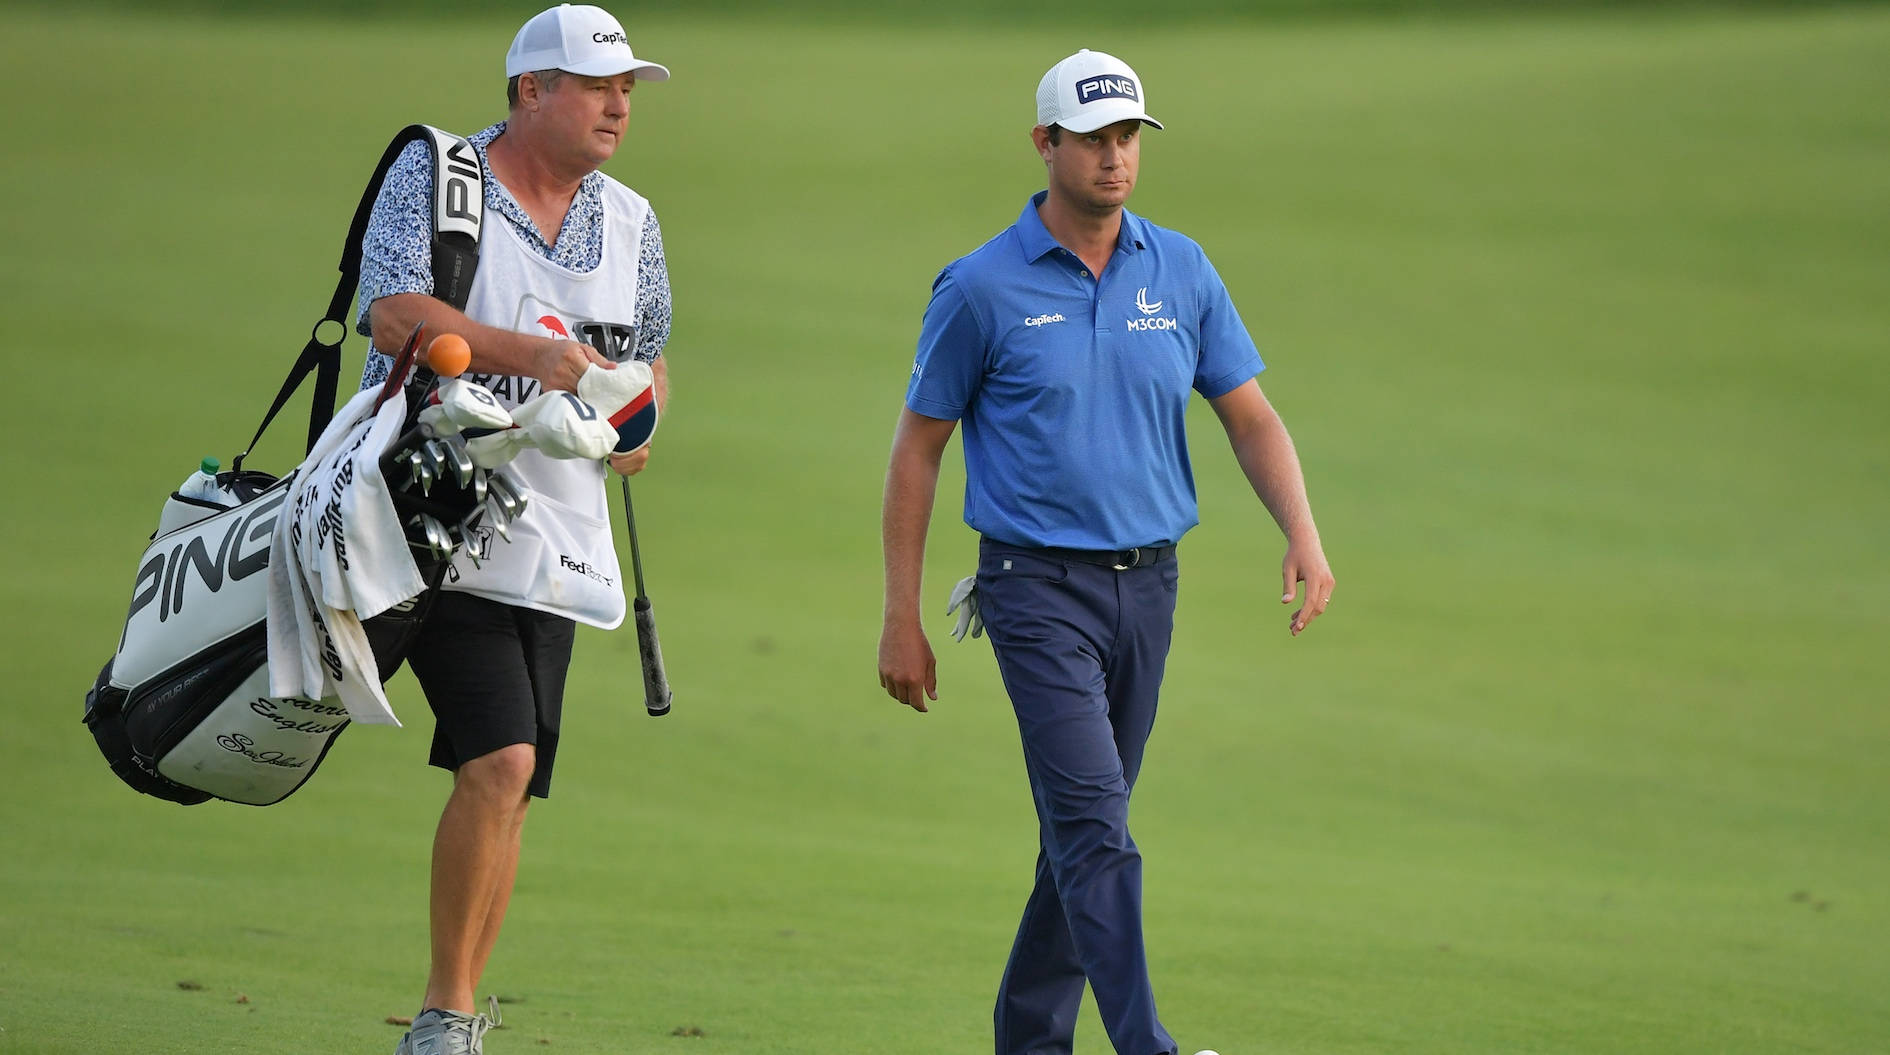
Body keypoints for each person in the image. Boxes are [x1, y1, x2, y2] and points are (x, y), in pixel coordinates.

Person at [877, 48, 1335, 1055]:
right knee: (1096, 831)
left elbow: (1249, 416)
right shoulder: (981, 286)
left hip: (1150, 588)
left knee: (1079, 840)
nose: (1115, 157)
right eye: (1092, 139)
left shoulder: (1182, 267)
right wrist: (901, 616)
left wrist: (1300, 529)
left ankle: (1028, 1039)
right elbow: (918, 448)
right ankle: (1147, 1045)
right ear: (1045, 144)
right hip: (1034, 587)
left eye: (1128, 136)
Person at [353, 5, 673, 1053]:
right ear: (532, 88)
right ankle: (443, 1013)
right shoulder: (441, 177)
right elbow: (394, 313)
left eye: (628, 88)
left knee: (516, 782)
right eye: (597, 85)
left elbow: (649, 363)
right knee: (501, 759)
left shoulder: (630, 218)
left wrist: (637, 423)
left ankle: (459, 1014)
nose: (619, 104)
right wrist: (537, 362)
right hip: (425, 509)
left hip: (558, 531)